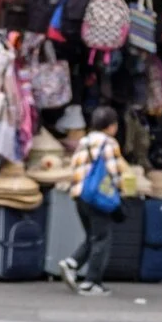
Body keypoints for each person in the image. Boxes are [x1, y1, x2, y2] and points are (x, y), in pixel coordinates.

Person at [60, 104, 128, 296]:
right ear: (112, 126)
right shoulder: (109, 143)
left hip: (80, 196)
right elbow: (114, 172)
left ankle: (71, 263)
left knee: (94, 235)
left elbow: (75, 166)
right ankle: (91, 282)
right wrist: (121, 192)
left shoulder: (84, 141)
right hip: (97, 197)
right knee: (102, 239)